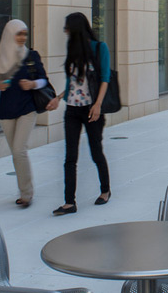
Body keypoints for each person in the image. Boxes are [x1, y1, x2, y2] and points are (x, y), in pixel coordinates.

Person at [47, 12, 111, 214]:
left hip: (91, 109)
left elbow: (105, 78)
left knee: (95, 152)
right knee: (70, 157)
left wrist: (98, 104)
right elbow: (74, 83)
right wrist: (58, 97)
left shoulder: (99, 48)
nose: (65, 31)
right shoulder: (72, 49)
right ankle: (69, 202)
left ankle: (105, 190)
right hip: (72, 110)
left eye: (67, 27)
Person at [0, 18, 48, 208]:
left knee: (19, 150)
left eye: (25, 33)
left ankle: (26, 194)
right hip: (6, 111)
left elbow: (44, 80)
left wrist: (32, 84)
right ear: (9, 35)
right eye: (19, 33)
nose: (23, 37)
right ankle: (24, 190)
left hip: (27, 108)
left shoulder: (31, 56)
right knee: (16, 154)